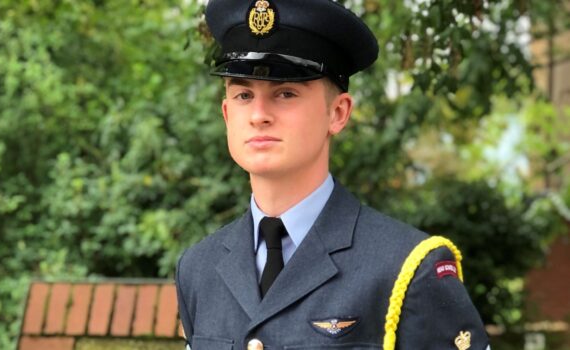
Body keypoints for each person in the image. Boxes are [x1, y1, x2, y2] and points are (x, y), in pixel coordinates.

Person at [175, 0, 490, 349]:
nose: (259, 115)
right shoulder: (199, 269)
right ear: (225, 113)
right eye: (244, 95)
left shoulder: (407, 267)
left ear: (338, 113)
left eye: (285, 93)